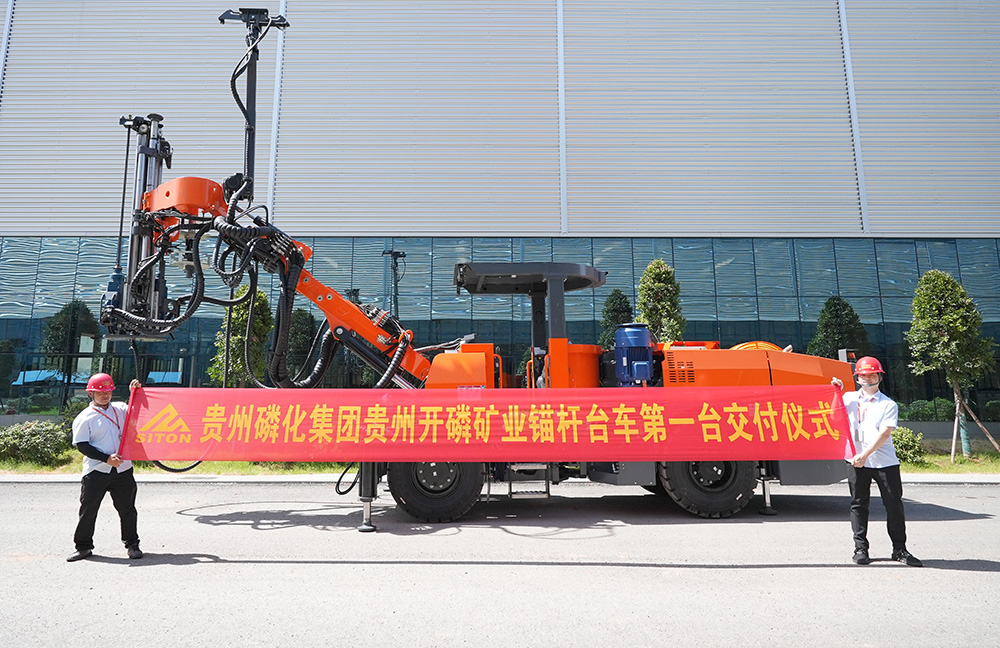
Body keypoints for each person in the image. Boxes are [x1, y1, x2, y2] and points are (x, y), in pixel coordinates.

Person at [832, 356, 922, 567]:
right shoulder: (848, 398)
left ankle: (899, 549)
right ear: (857, 377)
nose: (868, 378)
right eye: (863, 375)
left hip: (884, 462)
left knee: (894, 505)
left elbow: (884, 434)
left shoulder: (888, 404)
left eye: (872, 374)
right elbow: (835, 417)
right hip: (855, 460)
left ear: (880, 377)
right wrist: (836, 391)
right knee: (858, 504)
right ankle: (860, 548)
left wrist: (865, 455)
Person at [66, 373, 143, 562]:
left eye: (108, 391)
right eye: (100, 392)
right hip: (96, 471)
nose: (105, 395)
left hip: (123, 469)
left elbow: (139, 410)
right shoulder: (85, 417)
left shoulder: (120, 409)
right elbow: (82, 445)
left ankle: (132, 545)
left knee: (127, 509)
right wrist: (106, 458)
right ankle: (83, 547)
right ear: (90, 393)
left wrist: (136, 392)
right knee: (89, 509)